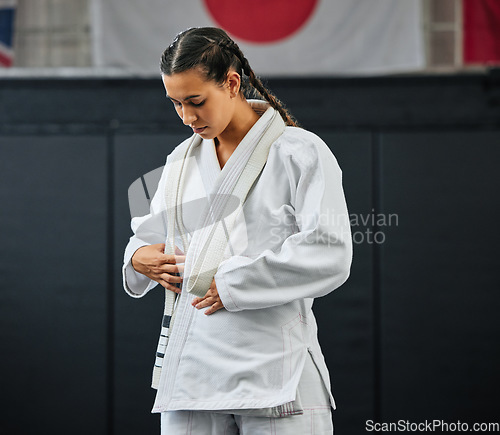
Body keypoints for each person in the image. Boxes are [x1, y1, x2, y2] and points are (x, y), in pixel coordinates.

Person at [122, 27, 352, 435]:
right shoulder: (181, 161)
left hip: (276, 372)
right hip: (193, 373)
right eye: (175, 104)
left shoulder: (299, 152)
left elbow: (329, 250)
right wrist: (139, 258)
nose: (187, 117)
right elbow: (147, 236)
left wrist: (230, 283)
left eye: (196, 102)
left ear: (231, 83)